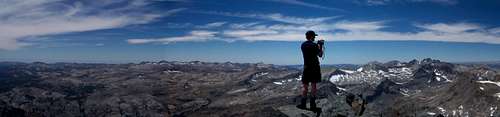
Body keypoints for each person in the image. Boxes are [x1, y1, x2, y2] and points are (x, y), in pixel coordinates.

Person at [297, 30, 324, 112]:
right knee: (313, 86)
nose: (315, 37)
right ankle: (312, 105)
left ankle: (303, 104)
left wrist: (317, 45)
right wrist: (320, 45)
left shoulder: (303, 45)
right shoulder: (315, 45)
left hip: (306, 67)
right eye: (314, 36)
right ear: (311, 36)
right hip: (315, 67)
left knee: (305, 87)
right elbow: (320, 55)